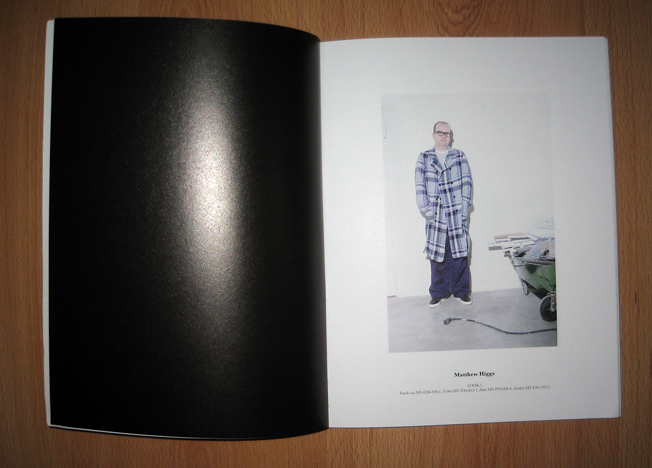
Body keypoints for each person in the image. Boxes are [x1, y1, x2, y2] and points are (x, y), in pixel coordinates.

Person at [415, 121, 473, 308]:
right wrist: (426, 209)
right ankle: (438, 292)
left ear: (450, 136)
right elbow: (419, 185)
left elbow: (467, 182)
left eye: (447, 133)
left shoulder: (459, 156)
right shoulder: (424, 157)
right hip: (436, 213)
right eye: (440, 133)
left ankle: (461, 291)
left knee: (459, 253)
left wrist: (464, 207)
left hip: (455, 211)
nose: (443, 136)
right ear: (434, 135)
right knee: (437, 254)